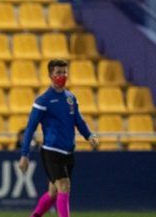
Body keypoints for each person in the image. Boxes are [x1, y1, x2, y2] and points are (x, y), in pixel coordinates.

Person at [19, 59, 99, 217]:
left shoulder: (71, 98)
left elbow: (78, 120)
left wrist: (89, 135)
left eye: (64, 72)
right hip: (51, 151)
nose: (62, 76)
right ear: (50, 75)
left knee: (53, 192)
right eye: (58, 73)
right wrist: (24, 154)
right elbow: (30, 128)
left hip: (68, 151)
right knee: (64, 186)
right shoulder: (43, 101)